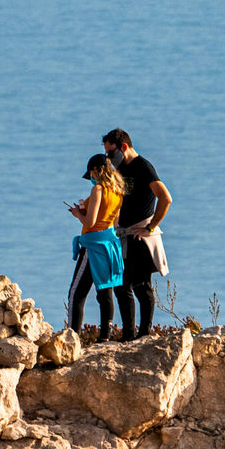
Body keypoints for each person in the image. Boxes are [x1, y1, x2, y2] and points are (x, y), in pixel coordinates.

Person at [102, 127, 171, 340]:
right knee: (122, 286)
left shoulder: (143, 166)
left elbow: (165, 197)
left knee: (141, 286)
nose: (109, 158)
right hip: (124, 234)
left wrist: (150, 227)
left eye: (111, 153)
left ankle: (144, 333)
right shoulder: (120, 170)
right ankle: (129, 335)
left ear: (124, 147)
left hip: (141, 235)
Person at [65, 153, 127, 342]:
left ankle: (72, 337)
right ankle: (105, 336)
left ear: (96, 171)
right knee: (105, 290)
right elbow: (114, 221)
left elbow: (90, 222)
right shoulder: (118, 190)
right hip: (109, 244)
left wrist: (77, 214)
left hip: (92, 245)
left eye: (91, 173)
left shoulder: (98, 190)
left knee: (76, 293)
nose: (90, 177)